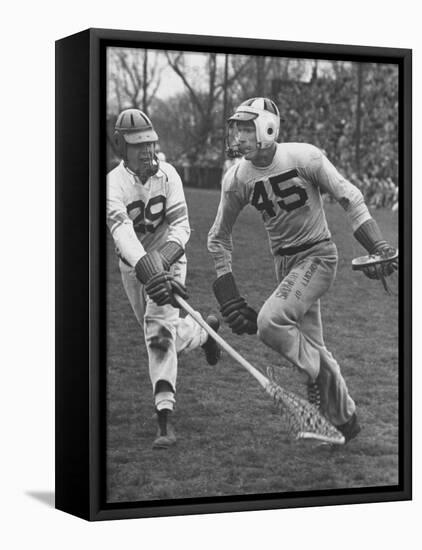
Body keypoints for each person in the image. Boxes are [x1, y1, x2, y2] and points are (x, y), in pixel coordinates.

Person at [208, 97, 397, 443]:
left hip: (318, 257)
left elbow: (349, 196)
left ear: (268, 127)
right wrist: (229, 295)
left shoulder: (303, 157)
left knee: (269, 322)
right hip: (285, 265)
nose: (239, 136)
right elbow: (218, 238)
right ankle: (345, 421)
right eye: (237, 128)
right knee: (314, 345)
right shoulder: (237, 178)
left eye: (247, 128)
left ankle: (314, 379)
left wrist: (377, 245)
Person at [107, 108, 220, 449]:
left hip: (170, 259)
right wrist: (146, 267)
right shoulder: (113, 184)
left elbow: (182, 227)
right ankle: (204, 330)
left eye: (150, 143)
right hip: (134, 267)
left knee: (157, 333)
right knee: (162, 330)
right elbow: (121, 231)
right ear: (120, 148)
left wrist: (162, 263)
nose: (147, 151)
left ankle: (165, 419)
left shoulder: (169, 175)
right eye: (137, 145)